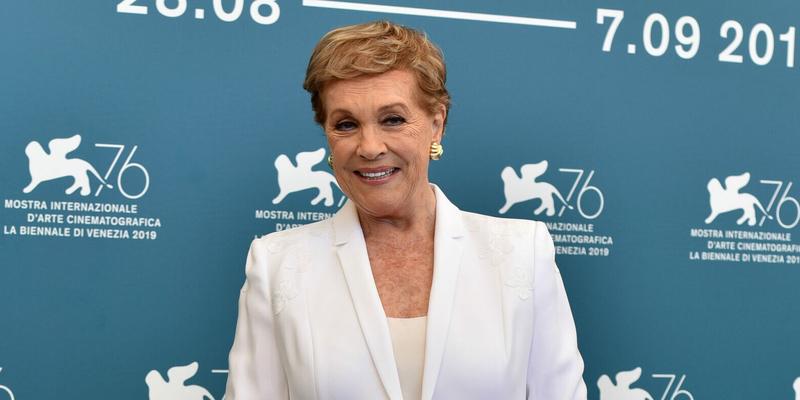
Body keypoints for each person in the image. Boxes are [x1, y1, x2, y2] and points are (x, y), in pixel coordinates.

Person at [225, 20, 587, 400]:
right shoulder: (275, 264)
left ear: (436, 124)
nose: (369, 146)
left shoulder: (523, 253)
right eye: (346, 124)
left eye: (392, 119)